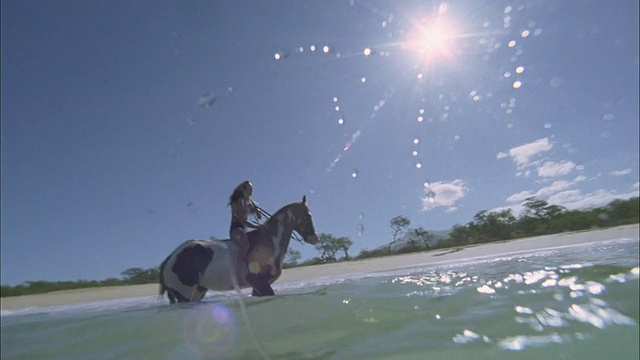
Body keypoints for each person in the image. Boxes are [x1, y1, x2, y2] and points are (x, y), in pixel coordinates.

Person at [228, 180, 262, 279]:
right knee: (245, 244)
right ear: (244, 190)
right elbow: (242, 221)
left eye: (252, 189)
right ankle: (239, 270)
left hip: (244, 230)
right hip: (236, 229)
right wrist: (256, 227)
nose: (252, 191)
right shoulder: (238, 202)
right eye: (250, 189)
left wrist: (257, 210)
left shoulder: (251, 203)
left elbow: (259, 217)